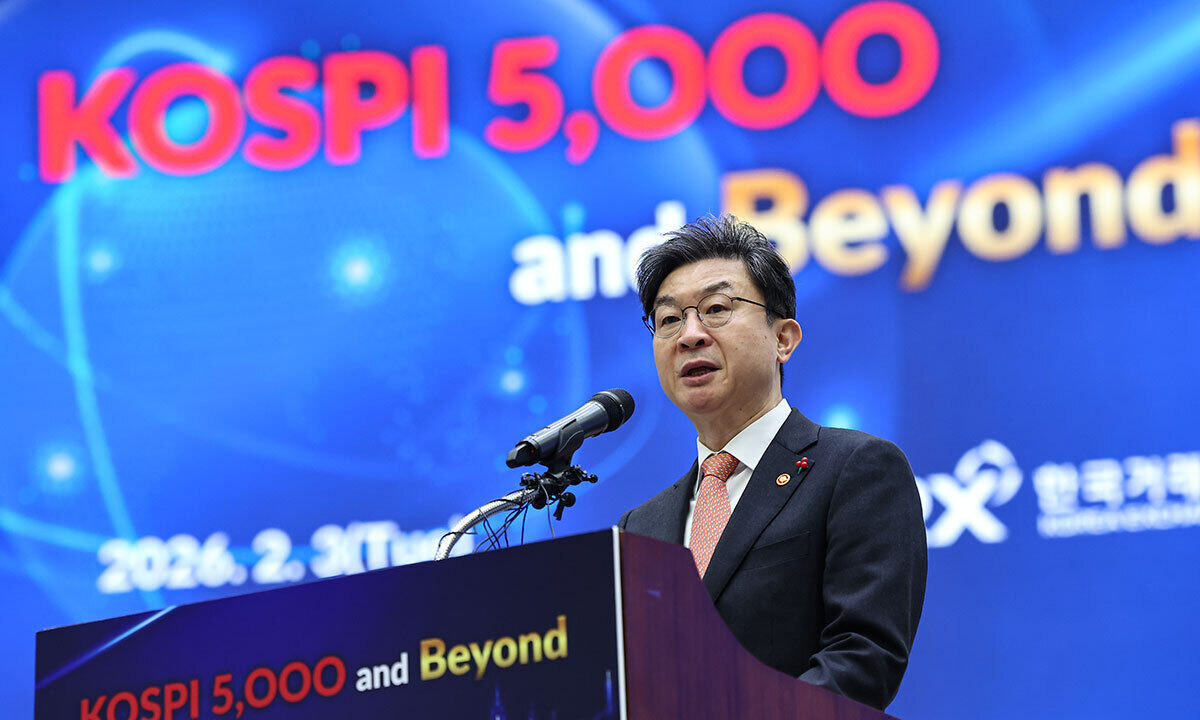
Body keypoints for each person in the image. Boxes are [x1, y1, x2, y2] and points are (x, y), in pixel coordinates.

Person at [618, 214, 927, 711]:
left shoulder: (855, 470)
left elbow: (862, 658)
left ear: (783, 339)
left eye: (716, 309)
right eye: (669, 319)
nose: (689, 335)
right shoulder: (639, 527)